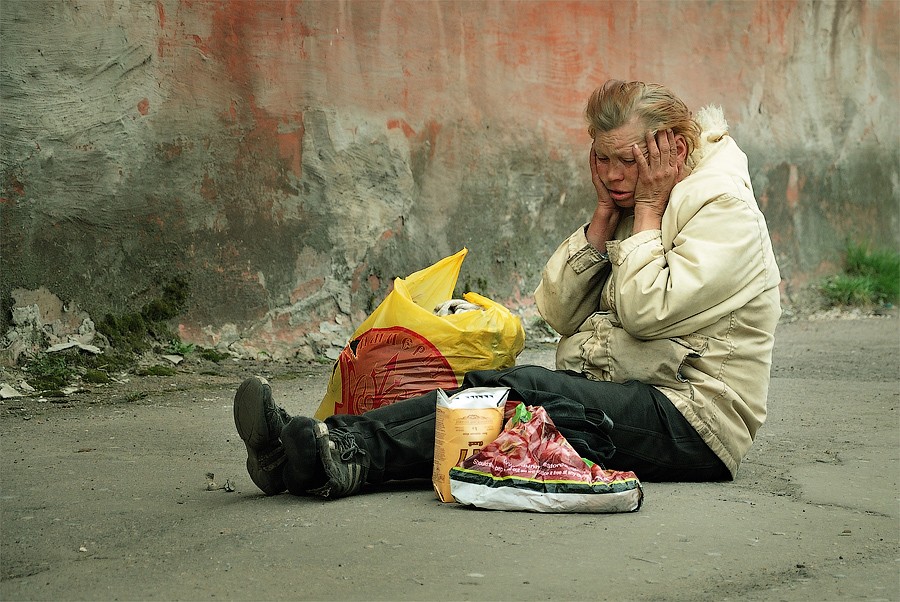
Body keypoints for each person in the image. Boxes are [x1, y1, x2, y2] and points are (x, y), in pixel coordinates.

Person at [232, 79, 782, 498]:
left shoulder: (723, 209)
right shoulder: (635, 203)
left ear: (674, 149)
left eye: (627, 161)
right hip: (624, 393)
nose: (613, 175)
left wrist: (644, 208)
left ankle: (328, 451)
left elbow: (645, 313)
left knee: (520, 397)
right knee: (489, 400)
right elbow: (560, 312)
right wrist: (602, 222)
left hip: (693, 421)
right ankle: (304, 450)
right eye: (602, 159)